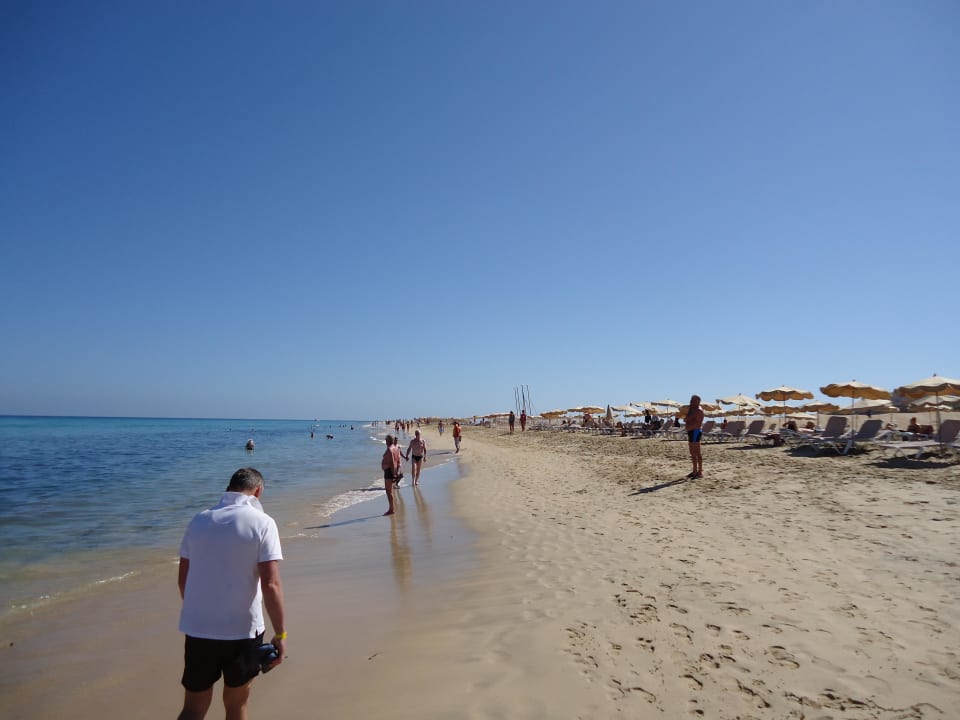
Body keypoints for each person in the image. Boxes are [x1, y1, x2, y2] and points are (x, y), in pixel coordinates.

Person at [176, 467, 286, 720]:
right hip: (242, 632)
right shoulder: (263, 522)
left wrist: (200, 615)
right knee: (237, 706)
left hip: (199, 630)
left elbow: (183, 580)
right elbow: (271, 584)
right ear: (257, 492)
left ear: (229, 489)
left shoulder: (199, 520)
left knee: (193, 708)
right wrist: (281, 634)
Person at [685, 395, 704, 479]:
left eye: (692, 400)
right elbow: (686, 419)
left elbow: (697, 423)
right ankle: (694, 471)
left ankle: (700, 472)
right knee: (692, 452)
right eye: (691, 400)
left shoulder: (698, 411)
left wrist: (688, 421)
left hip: (695, 432)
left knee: (696, 452)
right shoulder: (692, 410)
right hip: (691, 432)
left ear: (697, 402)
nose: (690, 402)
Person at [382, 435, 402, 515]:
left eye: (386, 441)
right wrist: (396, 471)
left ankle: (391, 509)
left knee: (388, 491)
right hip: (392, 470)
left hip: (389, 471)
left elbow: (393, 462)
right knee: (390, 491)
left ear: (388, 441)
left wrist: (394, 474)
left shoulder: (390, 449)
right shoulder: (396, 448)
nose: (385, 442)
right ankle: (392, 508)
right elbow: (398, 460)